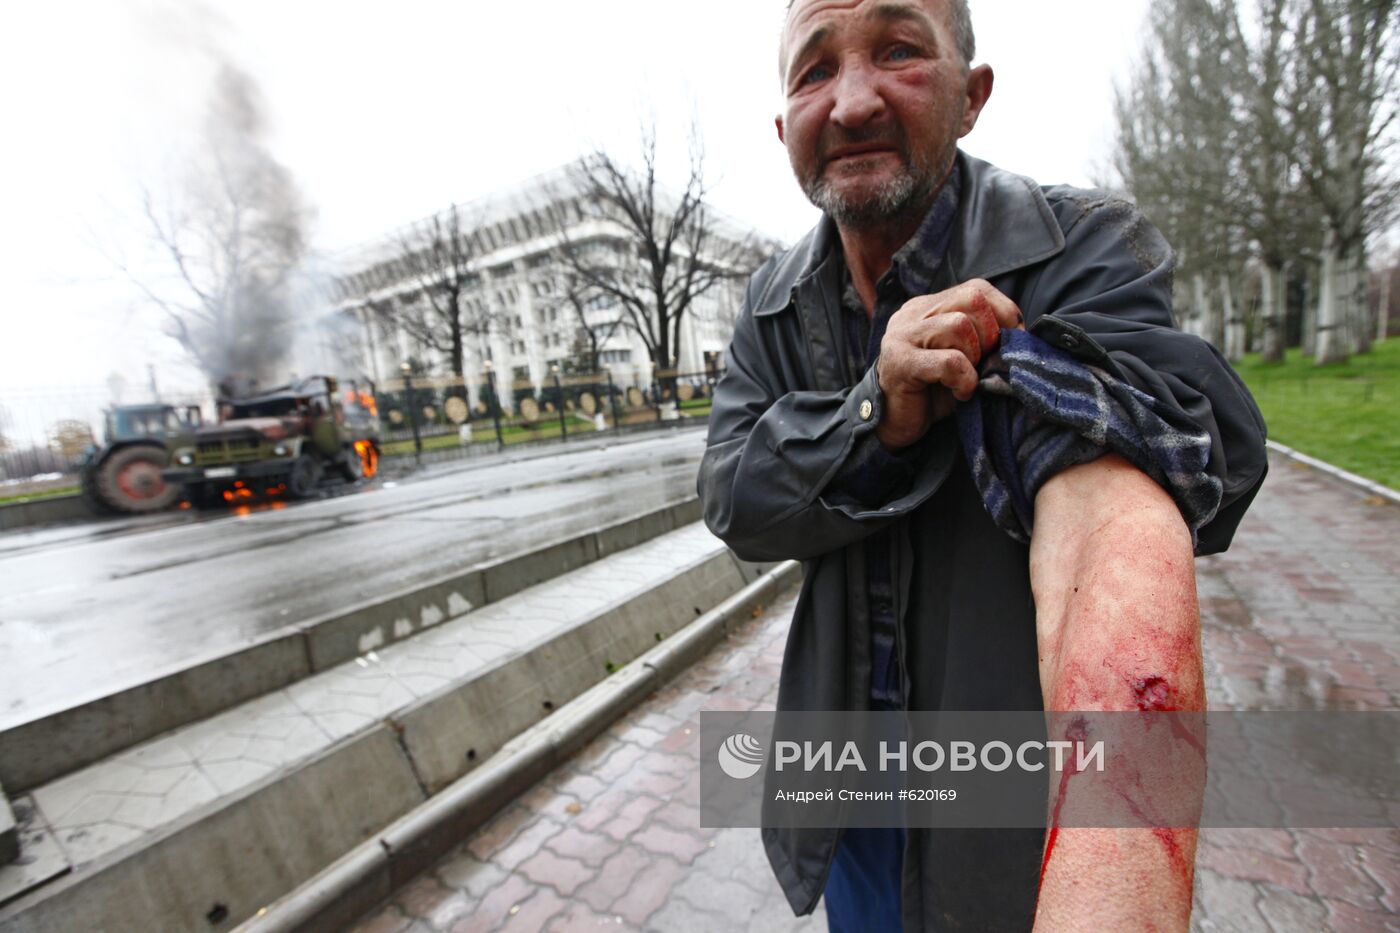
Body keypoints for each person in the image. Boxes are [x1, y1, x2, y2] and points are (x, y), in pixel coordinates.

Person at [695, 0, 1268, 930]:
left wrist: (1017, 365)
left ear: (973, 95)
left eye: (898, 51)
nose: (850, 101)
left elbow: (1199, 441)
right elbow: (733, 497)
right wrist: (874, 415)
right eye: (813, 72)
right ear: (783, 128)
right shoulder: (769, 305)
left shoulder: (1078, 244)